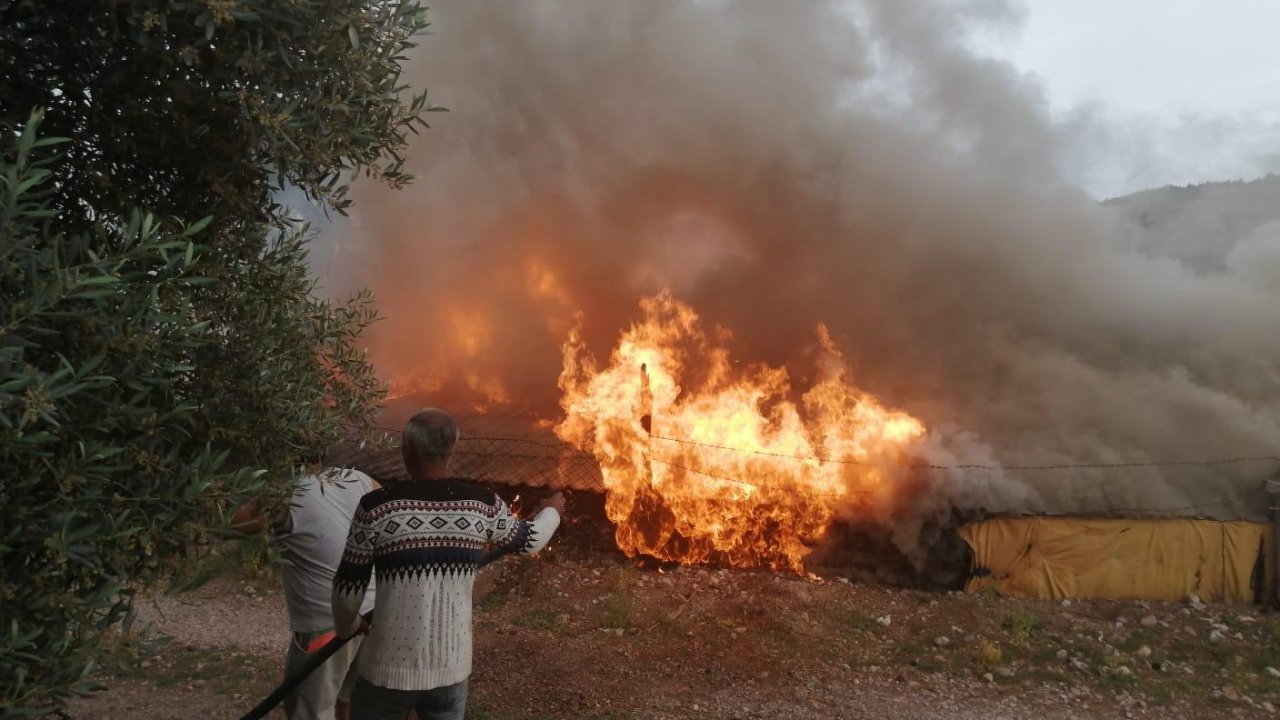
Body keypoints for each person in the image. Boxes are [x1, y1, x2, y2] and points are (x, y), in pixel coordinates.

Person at [332, 408, 565, 720]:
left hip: (385, 673)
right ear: (452, 448)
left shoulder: (376, 507)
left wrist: (349, 625)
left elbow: (347, 592)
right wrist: (553, 510)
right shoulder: (481, 504)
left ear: (406, 448)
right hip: (449, 671)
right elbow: (531, 539)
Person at [233, 458, 378, 720]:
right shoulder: (360, 479)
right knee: (350, 702)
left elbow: (230, 523)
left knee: (311, 712)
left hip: (326, 625)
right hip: (370, 612)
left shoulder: (286, 495)